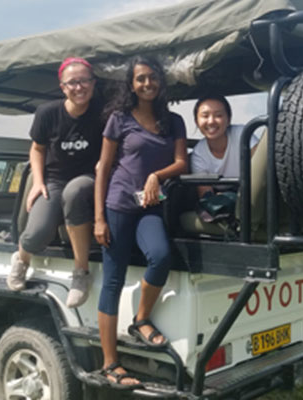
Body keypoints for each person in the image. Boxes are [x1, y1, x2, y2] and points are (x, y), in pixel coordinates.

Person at [93, 55, 188, 387]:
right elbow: (102, 169)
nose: (147, 84)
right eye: (140, 79)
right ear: (131, 84)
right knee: (112, 281)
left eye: (153, 78)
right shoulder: (119, 119)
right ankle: (110, 364)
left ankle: (141, 319)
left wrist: (155, 176)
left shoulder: (173, 120)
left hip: (150, 206)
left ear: (160, 81)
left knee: (160, 256)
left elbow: (181, 163)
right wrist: (99, 219)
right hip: (118, 205)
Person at [8, 57, 103, 309]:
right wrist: (38, 182)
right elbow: (37, 150)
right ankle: (21, 259)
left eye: (84, 81)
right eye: (72, 82)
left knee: (75, 191)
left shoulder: (103, 112)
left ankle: (81, 273)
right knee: (37, 234)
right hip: (53, 179)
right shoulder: (48, 113)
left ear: (93, 84)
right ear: (62, 87)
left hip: (87, 180)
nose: (79, 87)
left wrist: (104, 163)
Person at [190, 93, 261, 198]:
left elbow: (261, 168)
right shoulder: (198, 155)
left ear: (228, 119)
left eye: (218, 115)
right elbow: (206, 195)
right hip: (222, 200)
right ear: (196, 122)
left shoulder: (242, 134)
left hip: (252, 192)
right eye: (205, 116)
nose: (211, 121)